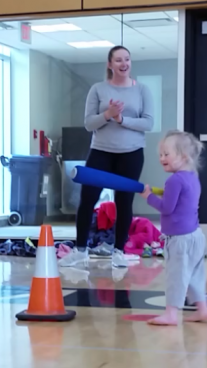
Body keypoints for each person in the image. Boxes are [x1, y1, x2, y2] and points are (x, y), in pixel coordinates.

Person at [59, 46, 154, 268]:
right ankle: (80, 250)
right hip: (101, 151)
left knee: (124, 202)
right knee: (87, 200)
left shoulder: (142, 90)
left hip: (131, 153)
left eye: (127, 59)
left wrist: (121, 120)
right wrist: (107, 115)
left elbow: (148, 123)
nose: (124, 64)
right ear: (110, 64)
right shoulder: (98, 89)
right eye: (119, 60)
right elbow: (89, 123)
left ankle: (119, 252)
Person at [139, 130, 207, 325]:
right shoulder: (192, 177)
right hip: (196, 237)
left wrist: (149, 197)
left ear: (184, 156)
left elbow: (166, 208)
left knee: (175, 277)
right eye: (160, 154)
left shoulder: (174, 180)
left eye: (167, 154)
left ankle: (171, 314)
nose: (162, 158)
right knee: (195, 275)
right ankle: (203, 309)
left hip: (180, 240)